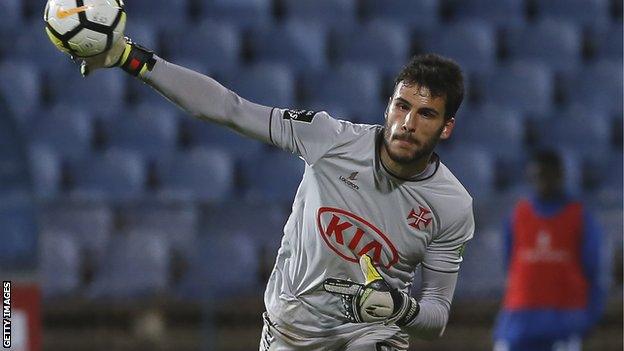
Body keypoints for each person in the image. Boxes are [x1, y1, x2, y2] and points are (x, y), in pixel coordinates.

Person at [75, 34, 475, 350]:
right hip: (291, 327)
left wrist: (400, 309)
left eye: (425, 114)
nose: (407, 123)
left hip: (371, 333)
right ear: (387, 107)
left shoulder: (452, 206)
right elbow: (229, 109)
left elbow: (436, 316)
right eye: (401, 106)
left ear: (446, 127)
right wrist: (130, 57)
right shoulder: (329, 139)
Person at [493, 150, 606, 351]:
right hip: (519, 318)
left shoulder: (579, 217)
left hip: (564, 318)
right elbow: (510, 262)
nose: (543, 181)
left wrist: (590, 316)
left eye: (548, 175)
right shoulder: (518, 215)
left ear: (560, 176)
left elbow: (594, 270)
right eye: (537, 176)